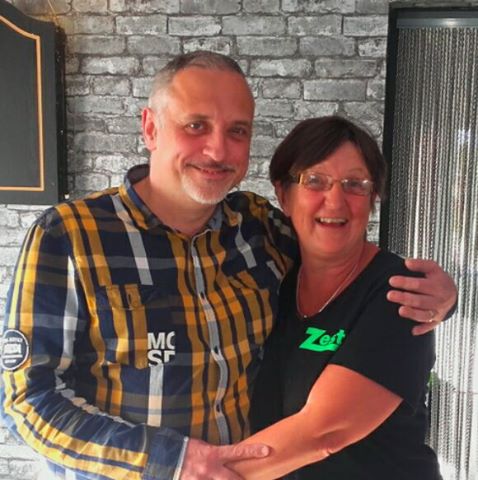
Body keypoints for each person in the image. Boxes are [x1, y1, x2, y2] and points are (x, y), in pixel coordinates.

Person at [0, 52, 455, 480]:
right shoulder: (69, 237)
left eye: (237, 131)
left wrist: (442, 296)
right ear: (151, 128)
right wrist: (174, 462)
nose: (218, 150)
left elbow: (339, 252)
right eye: (196, 125)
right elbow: (27, 399)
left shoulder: (257, 229)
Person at [231, 116, 442, 479]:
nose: (335, 200)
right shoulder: (272, 279)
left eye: (355, 184)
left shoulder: (401, 291)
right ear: (283, 195)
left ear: (372, 198)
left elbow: (324, 432)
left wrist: (202, 471)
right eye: (315, 181)